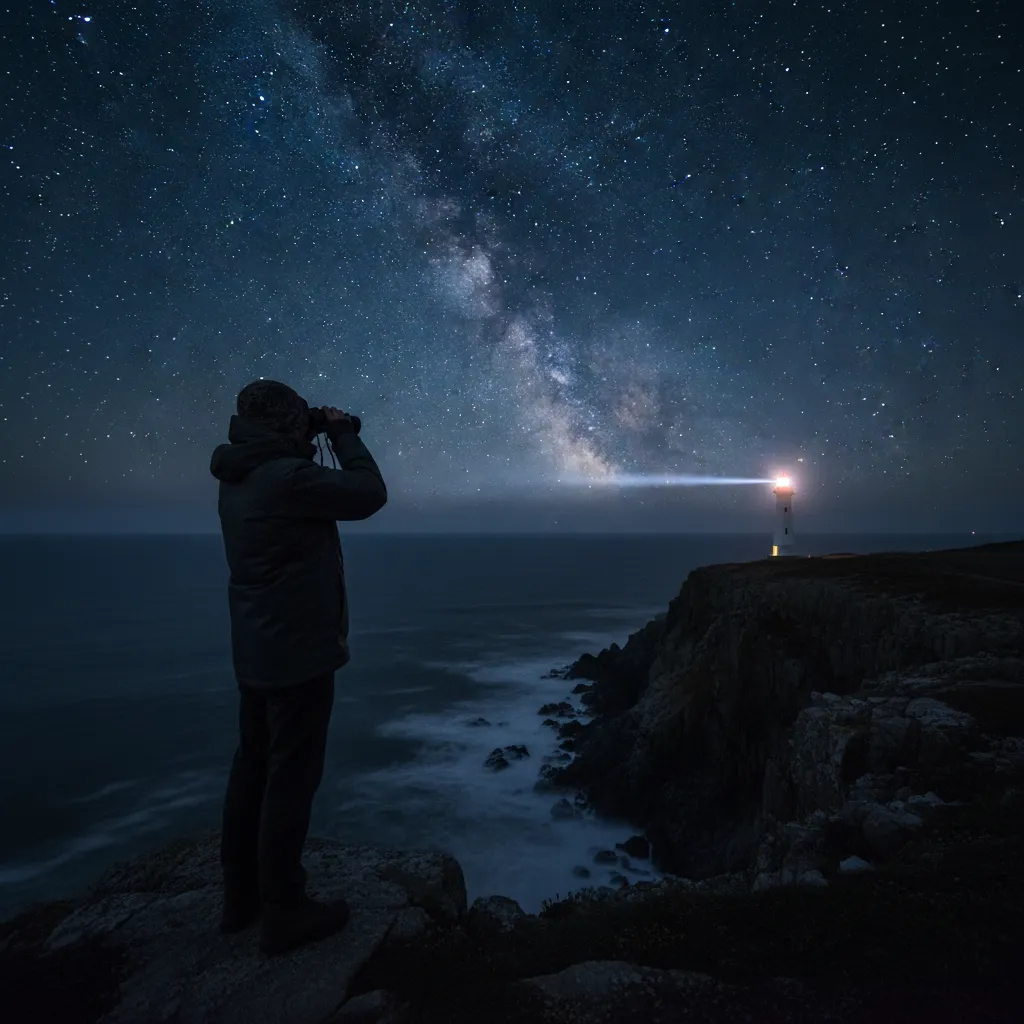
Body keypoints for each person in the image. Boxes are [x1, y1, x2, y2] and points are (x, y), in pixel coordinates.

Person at [209, 379, 387, 955]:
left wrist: (305, 433)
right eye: (300, 419)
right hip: (298, 654)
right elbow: (368, 494)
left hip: (256, 648)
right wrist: (338, 432)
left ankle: (241, 901)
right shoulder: (286, 479)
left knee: (252, 770)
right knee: (291, 778)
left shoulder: (240, 472)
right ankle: (285, 910)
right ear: (288, 423)